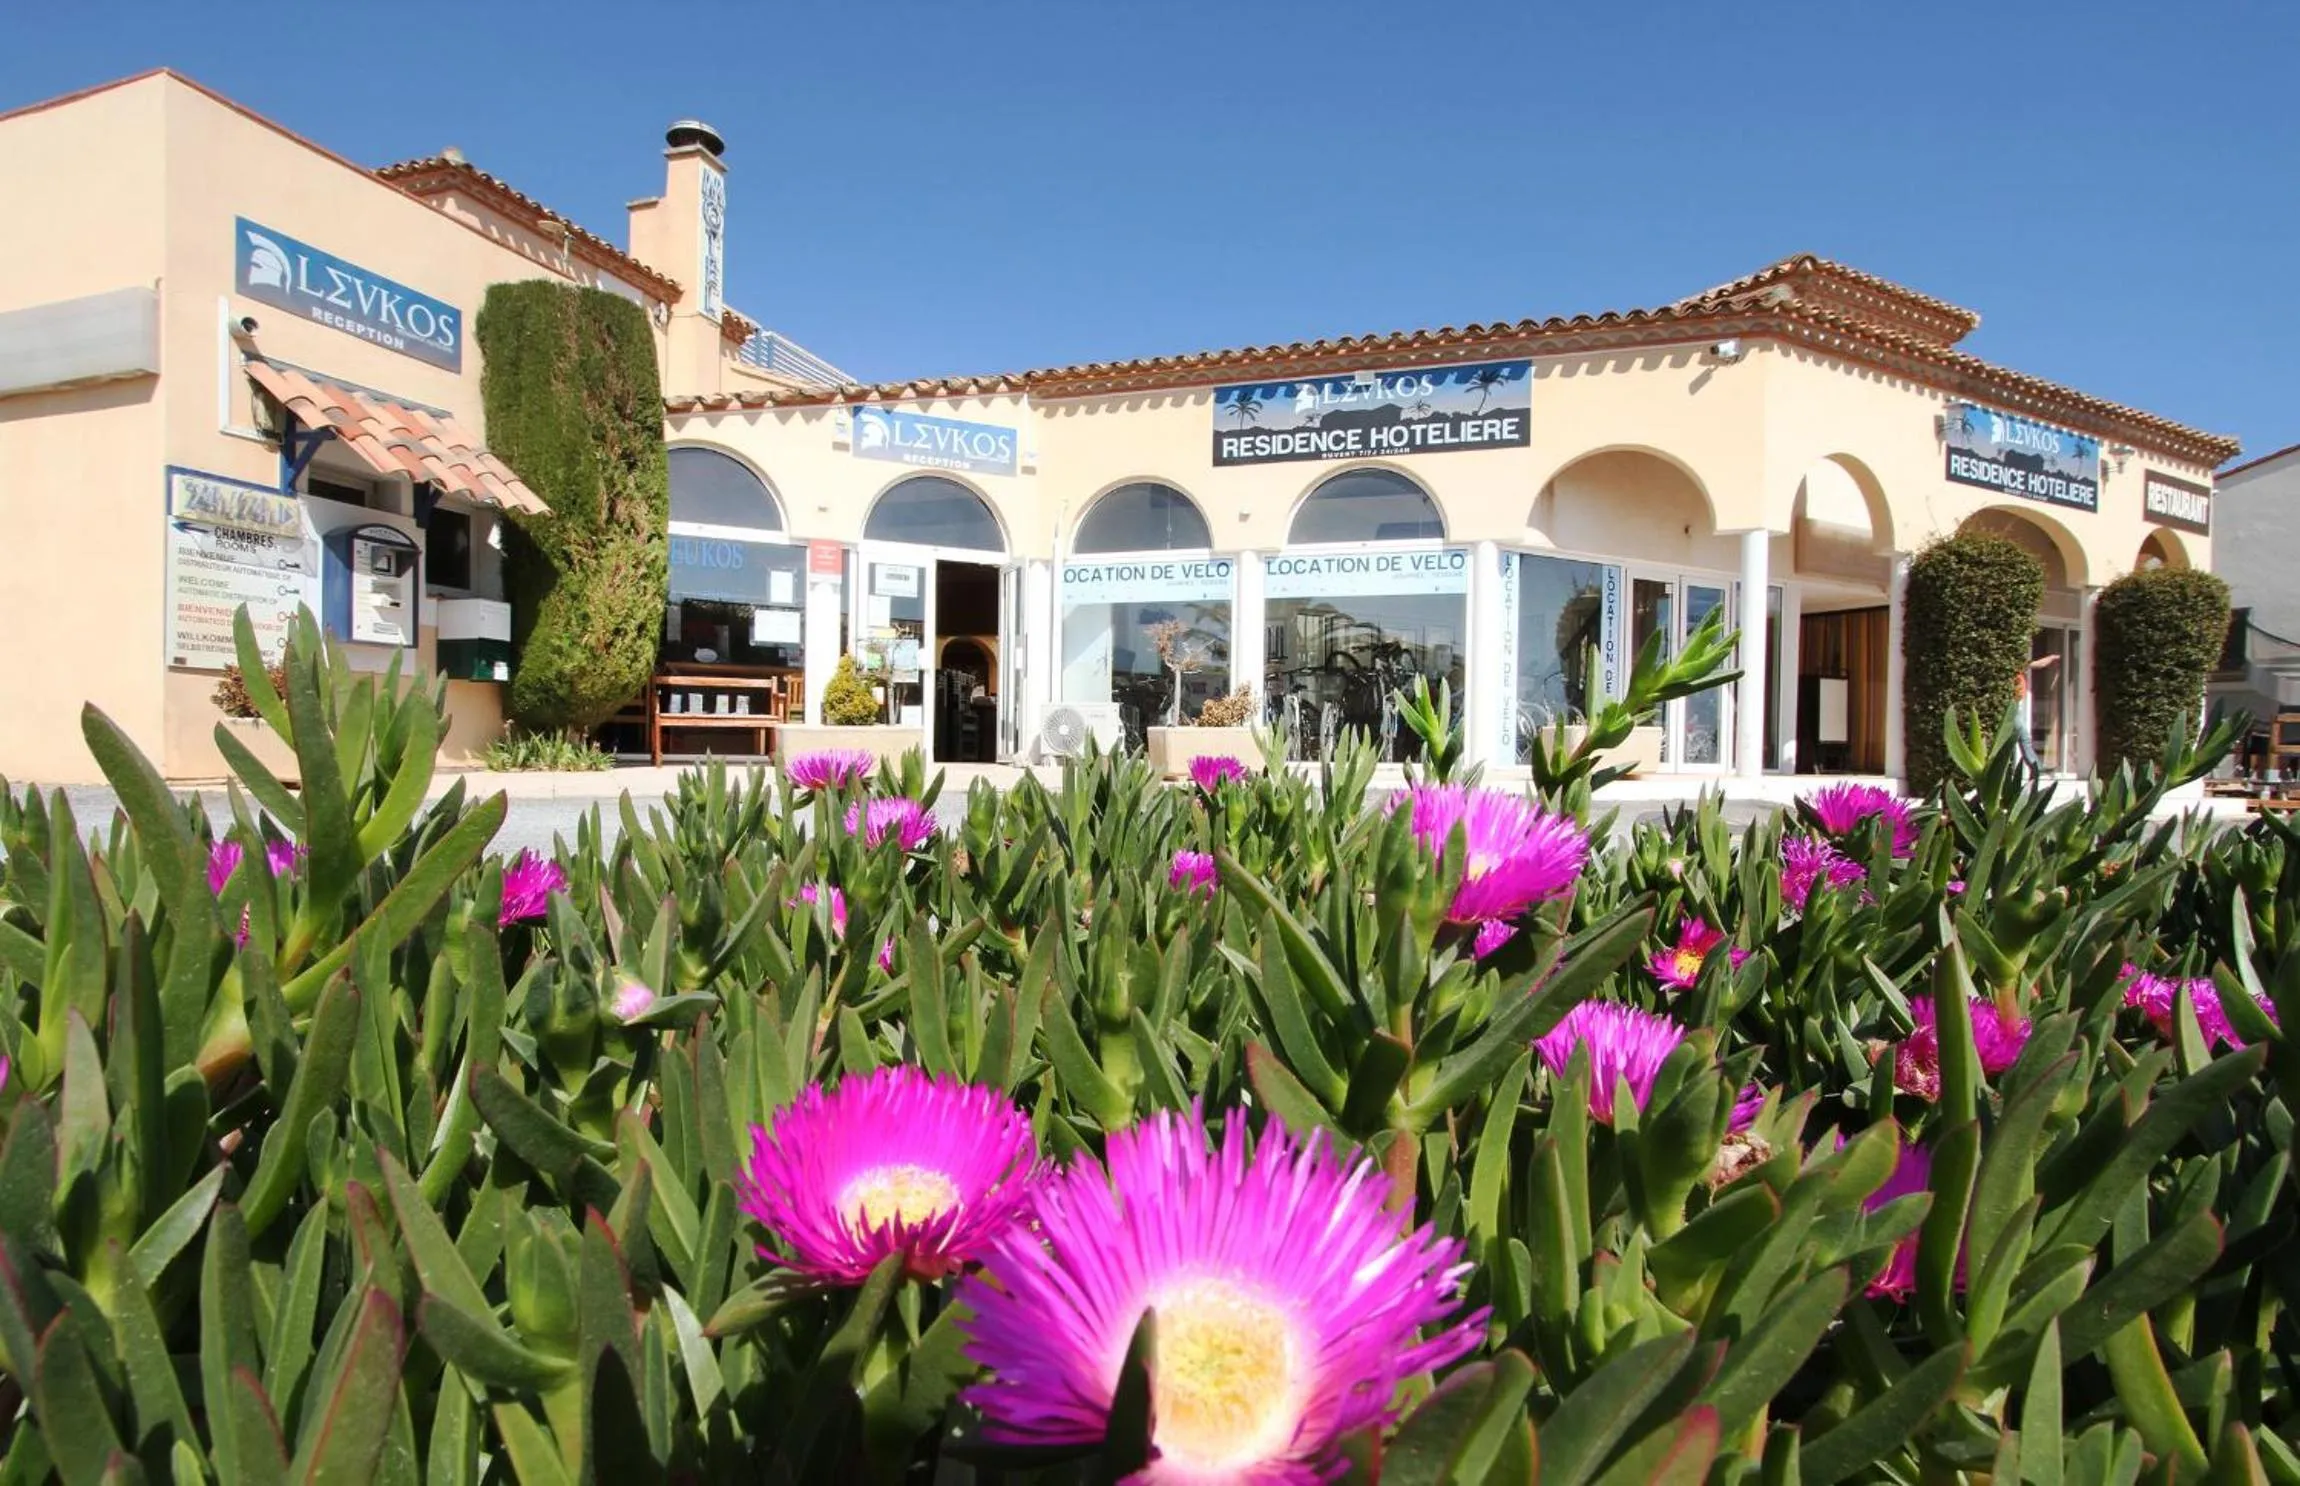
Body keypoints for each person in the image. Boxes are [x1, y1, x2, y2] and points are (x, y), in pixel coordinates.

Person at [2013, 652, 2060, 778]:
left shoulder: (2017, 665)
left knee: (2022, 738)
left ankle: (2035, 769)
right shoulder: (2011, 665)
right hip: (2011, 708)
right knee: (2023, 737)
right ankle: (2036, 768)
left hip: (2015, 706)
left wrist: (2051, 658)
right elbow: (2036, 664)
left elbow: (2037, 664)